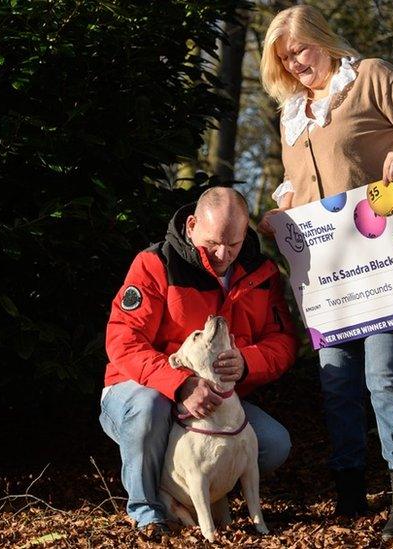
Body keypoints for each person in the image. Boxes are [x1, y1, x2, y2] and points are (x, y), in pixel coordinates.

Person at [256, 5, 393, 540]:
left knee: (385, 375)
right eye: (284, 57)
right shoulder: (291, 114)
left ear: (322, 39)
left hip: (388, 258)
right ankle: (348, 490)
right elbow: (293, 183)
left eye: (299, 49)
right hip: (327, 274)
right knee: (337, 382)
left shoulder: (369, 76)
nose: (294, 63)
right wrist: (279, 214)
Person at [99, 186, 298, 538]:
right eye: (212, 244)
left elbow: (282, 342)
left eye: (233, 244)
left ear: (245, 233)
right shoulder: (155, 264)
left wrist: (246, 363)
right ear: (191, 226)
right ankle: (148, 512)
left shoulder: (263, 272)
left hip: (217, 400)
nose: (222, 254)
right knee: (149, 410)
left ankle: (200, 496)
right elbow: (123, 340)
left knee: (272, 444)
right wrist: (180, 383)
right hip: (139, 388)